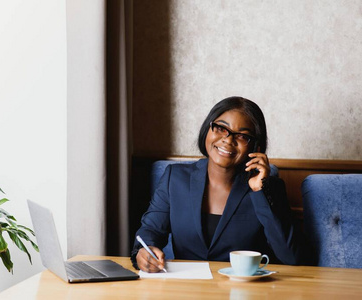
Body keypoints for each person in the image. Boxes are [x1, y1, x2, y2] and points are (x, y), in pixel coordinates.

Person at [131, 96, 308, 273]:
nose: (228, 140)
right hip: (186, 288)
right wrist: (145, 253)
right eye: (221, 128)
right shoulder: (175, 178)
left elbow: (291, 256)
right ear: (208, 129)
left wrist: (259, 191)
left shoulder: (269, 188)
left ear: (256, 147)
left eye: (241, 136)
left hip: (245, 291)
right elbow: (150, 231)